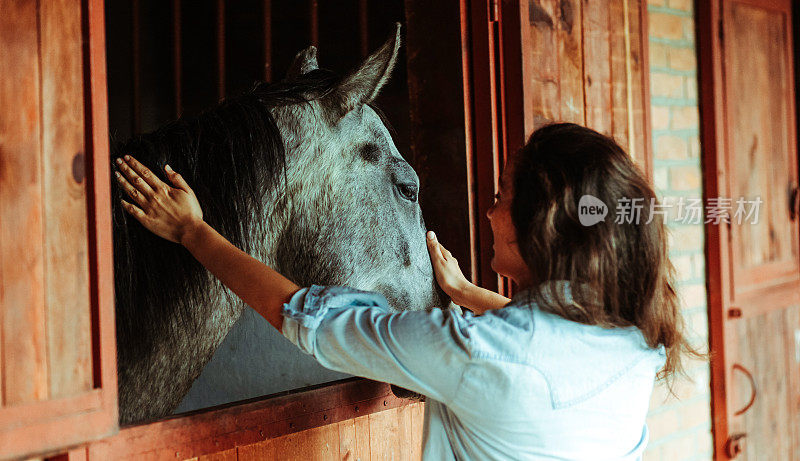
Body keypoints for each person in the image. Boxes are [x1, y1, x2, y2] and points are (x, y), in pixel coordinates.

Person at [114, 122, 703, 460]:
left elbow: (303, 315)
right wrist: (470, 293)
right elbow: (539, 354)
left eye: (502, 195)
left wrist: (193, 232)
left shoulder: (473, 351)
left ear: (539, 228)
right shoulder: (633, 336)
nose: (490, 210)